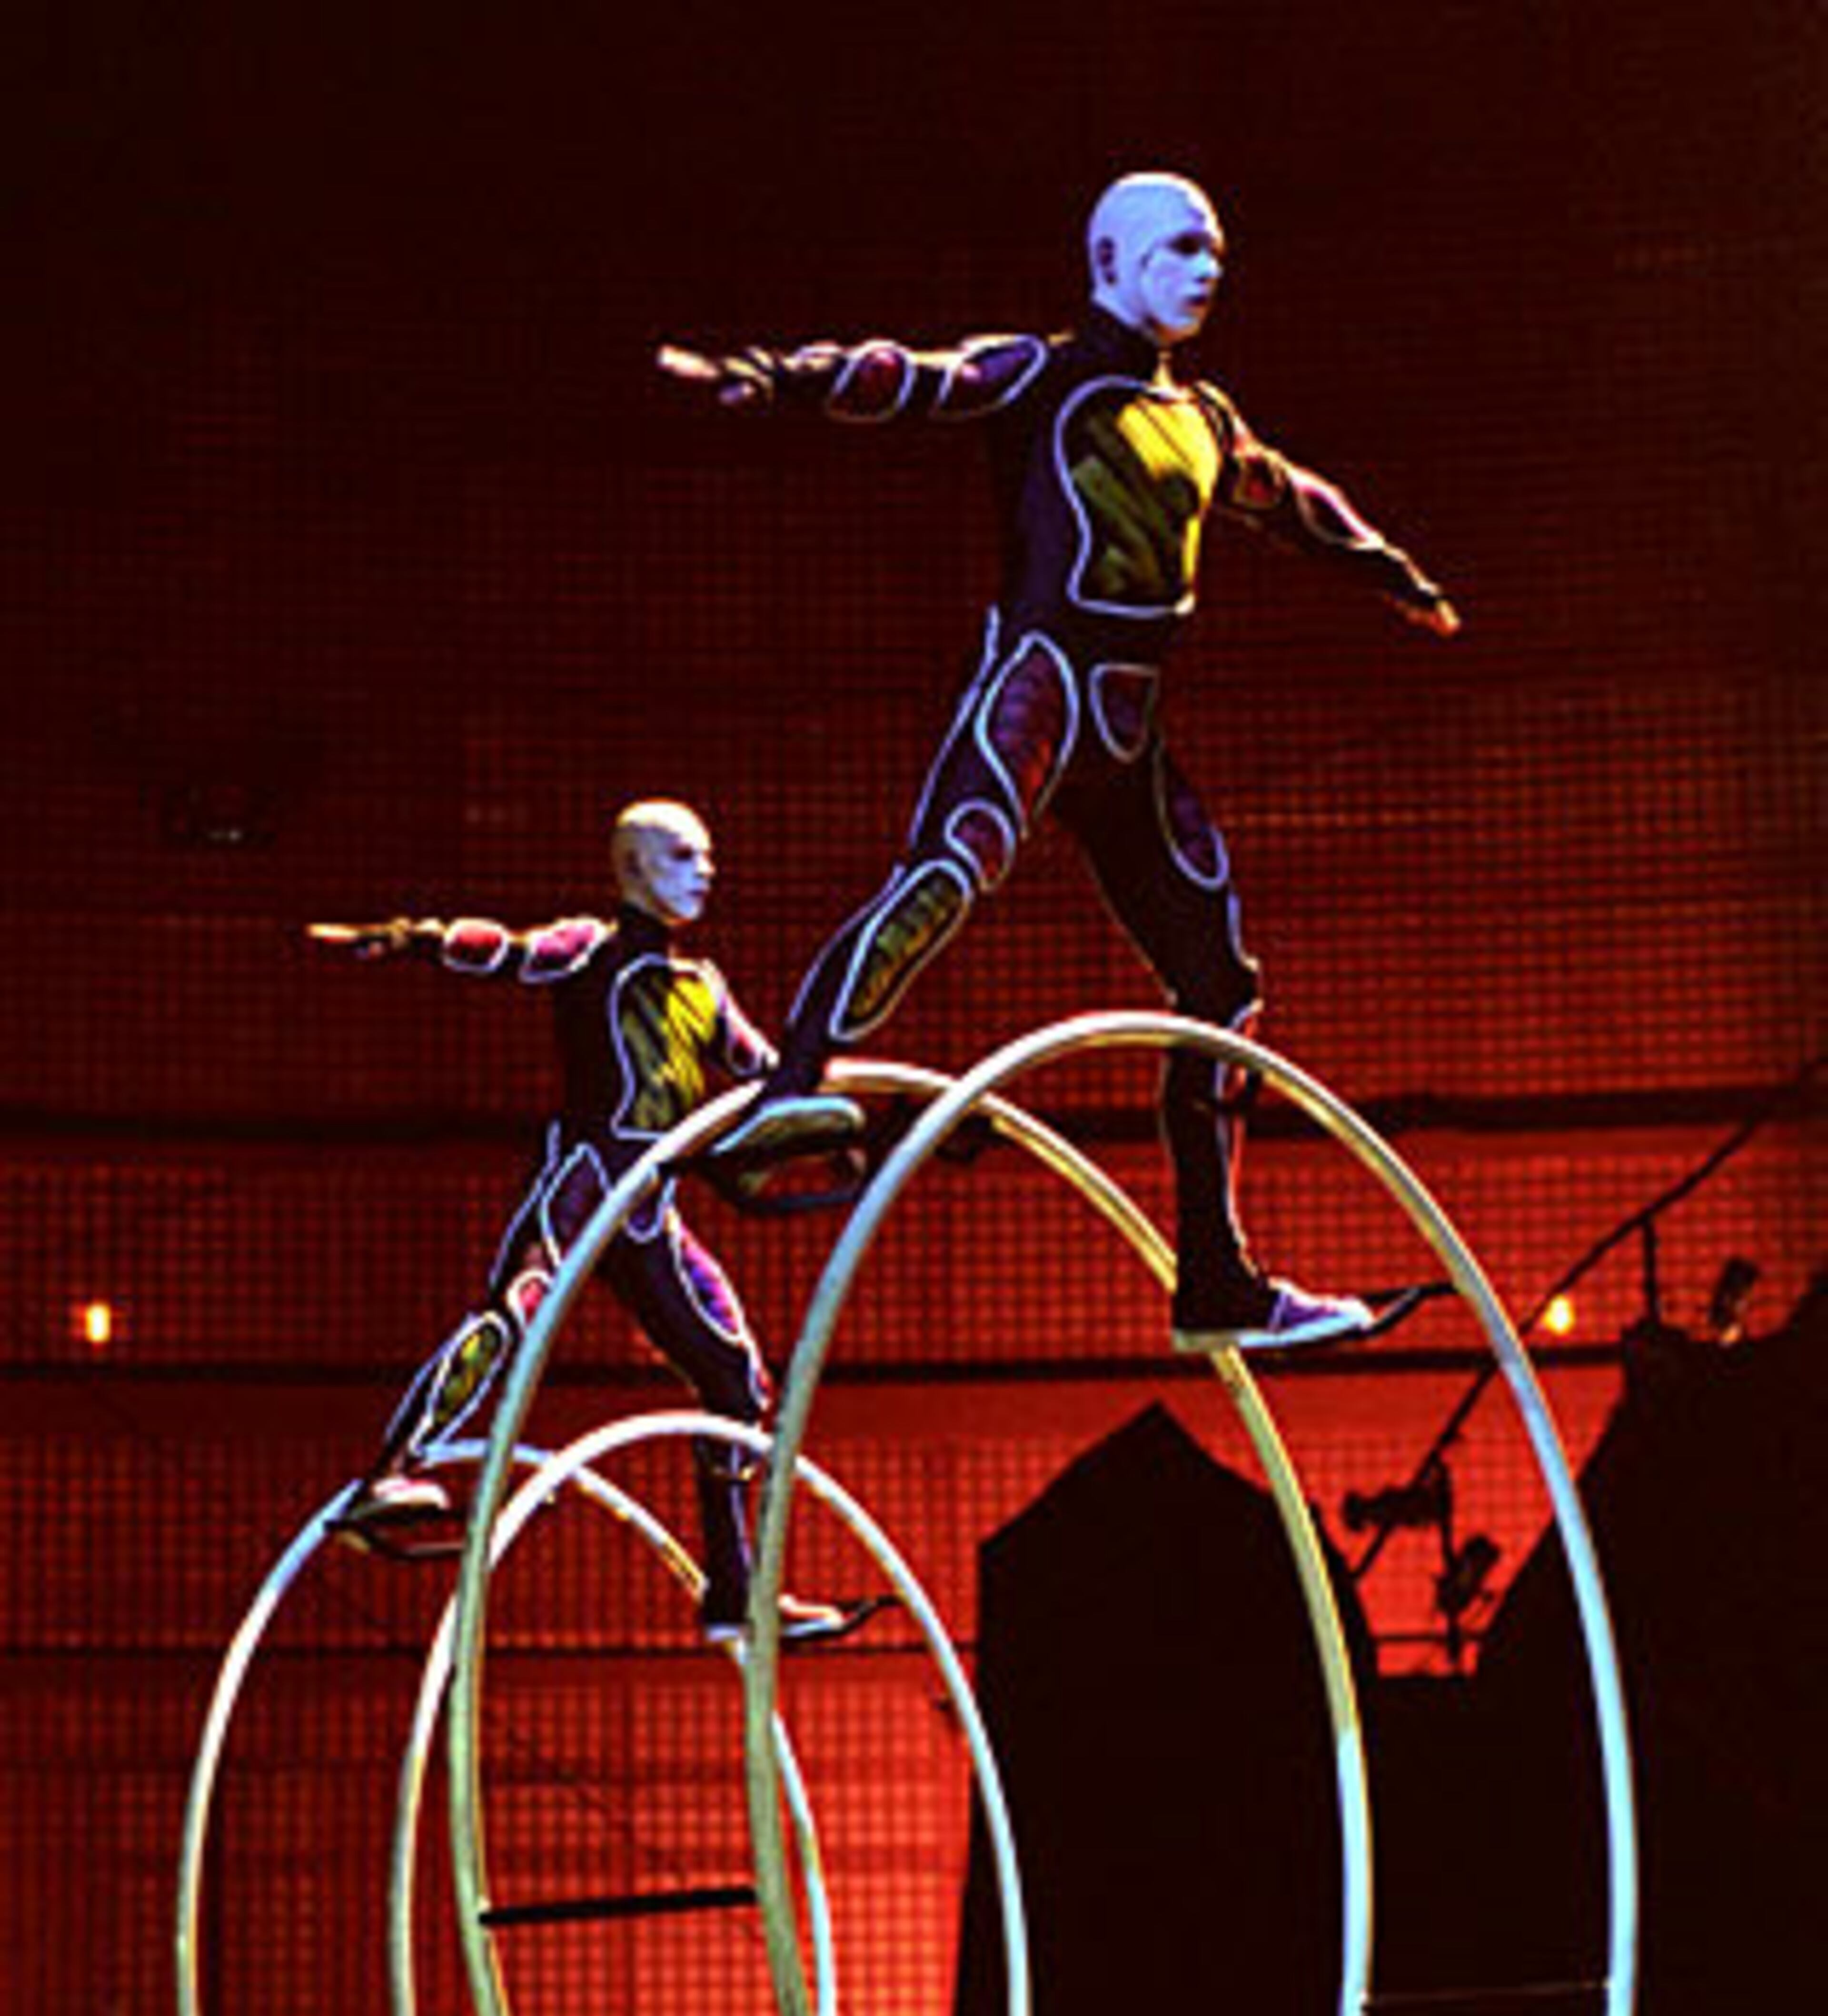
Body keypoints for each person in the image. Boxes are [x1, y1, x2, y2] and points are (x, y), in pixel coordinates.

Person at [657, 170, 1460, 1350]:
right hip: (1039, 697)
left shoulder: (1206, 417)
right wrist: (779, 374)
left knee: (1221, 992)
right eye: (1184, 247)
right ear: (1114, 259)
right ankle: (789, 1090)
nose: (1207, 269)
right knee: (944, 877)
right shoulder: (1044, 376)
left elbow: (1290, 499)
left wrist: (1393, 571)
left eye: (1218, 251)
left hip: (1128, 736)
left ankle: (1218, 1276)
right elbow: (915, 379)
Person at [310, 797, 866, 1645]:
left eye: (707, 855)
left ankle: (737, 1595)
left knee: (735, 1378)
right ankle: (388, 1475)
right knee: (510, 1319)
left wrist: (863, 1124)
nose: (704, 871)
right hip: (585, 1187)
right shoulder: (592, 951)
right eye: (683, 856)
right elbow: (509, 952)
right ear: (634, 868)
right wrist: (417, 937)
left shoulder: (702, 988)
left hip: (649, 1208)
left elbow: (772, 1081)